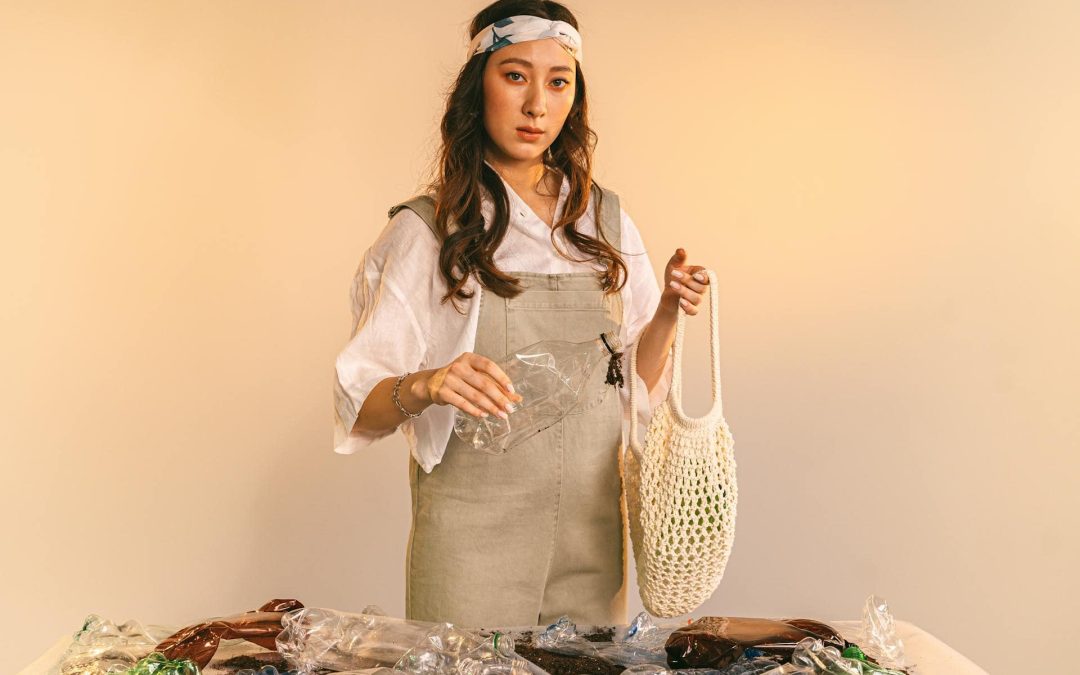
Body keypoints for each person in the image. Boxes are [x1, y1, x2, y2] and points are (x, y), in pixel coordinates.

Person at [333, 0, 712, 628]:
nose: (538, 103)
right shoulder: (430, 228)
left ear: (574, 99)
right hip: (470, 545)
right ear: (477, 86)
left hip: (592, 536)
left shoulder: (603, 221)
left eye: (558, 81)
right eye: (515, 75)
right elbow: (356, 402)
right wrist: (427, 384)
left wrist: (668, 312)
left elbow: (637, 392)